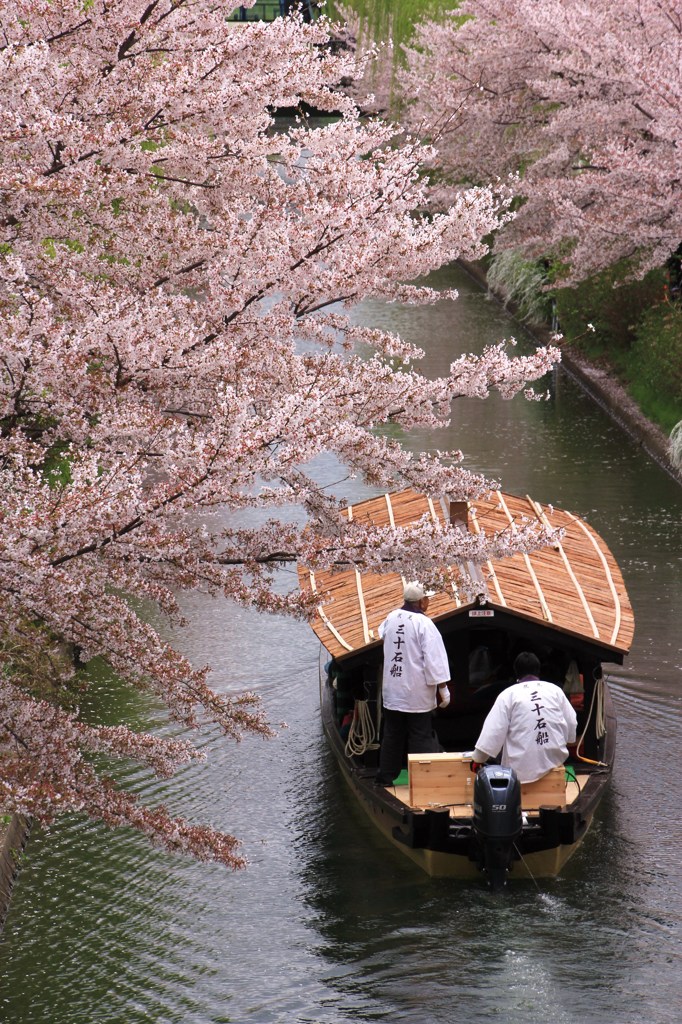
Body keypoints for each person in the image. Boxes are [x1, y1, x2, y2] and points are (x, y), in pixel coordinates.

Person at [375, 582, 451, 786]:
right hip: (416, 691)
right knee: (420, 736)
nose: (428, 602)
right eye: (427, 598)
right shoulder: (424, 624)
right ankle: (422, 782)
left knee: (392, 735)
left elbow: (381, 633)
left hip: (393, 691)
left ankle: (385, 778)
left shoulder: (391, 617)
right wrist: (443, 688)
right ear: (421, 601)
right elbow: (434, 659)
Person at [471, 651, 577, 784]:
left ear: (516, 672)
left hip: (519, 770)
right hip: (554, 761)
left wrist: (478, 759)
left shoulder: (508, 695)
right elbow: (571, 722)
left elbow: (493, 731)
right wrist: (570, 740)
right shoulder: (555, 690)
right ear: (538, 670)